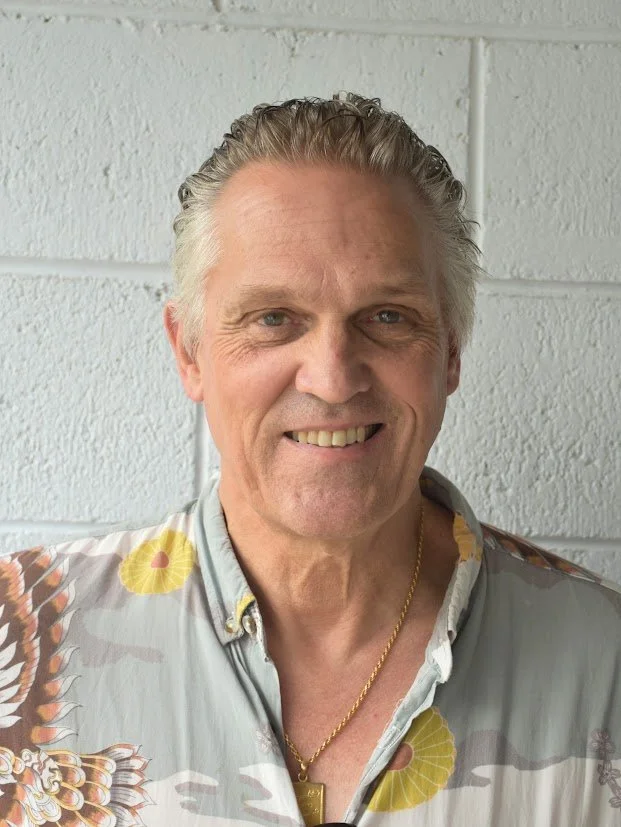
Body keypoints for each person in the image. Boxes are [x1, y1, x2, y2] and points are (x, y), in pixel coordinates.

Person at [1, 93, 619, 827]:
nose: (330, 377)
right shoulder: (21, 643)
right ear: (189, 351)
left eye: (387, 317)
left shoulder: (603, 663)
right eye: (273, 319)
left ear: (450, 353)